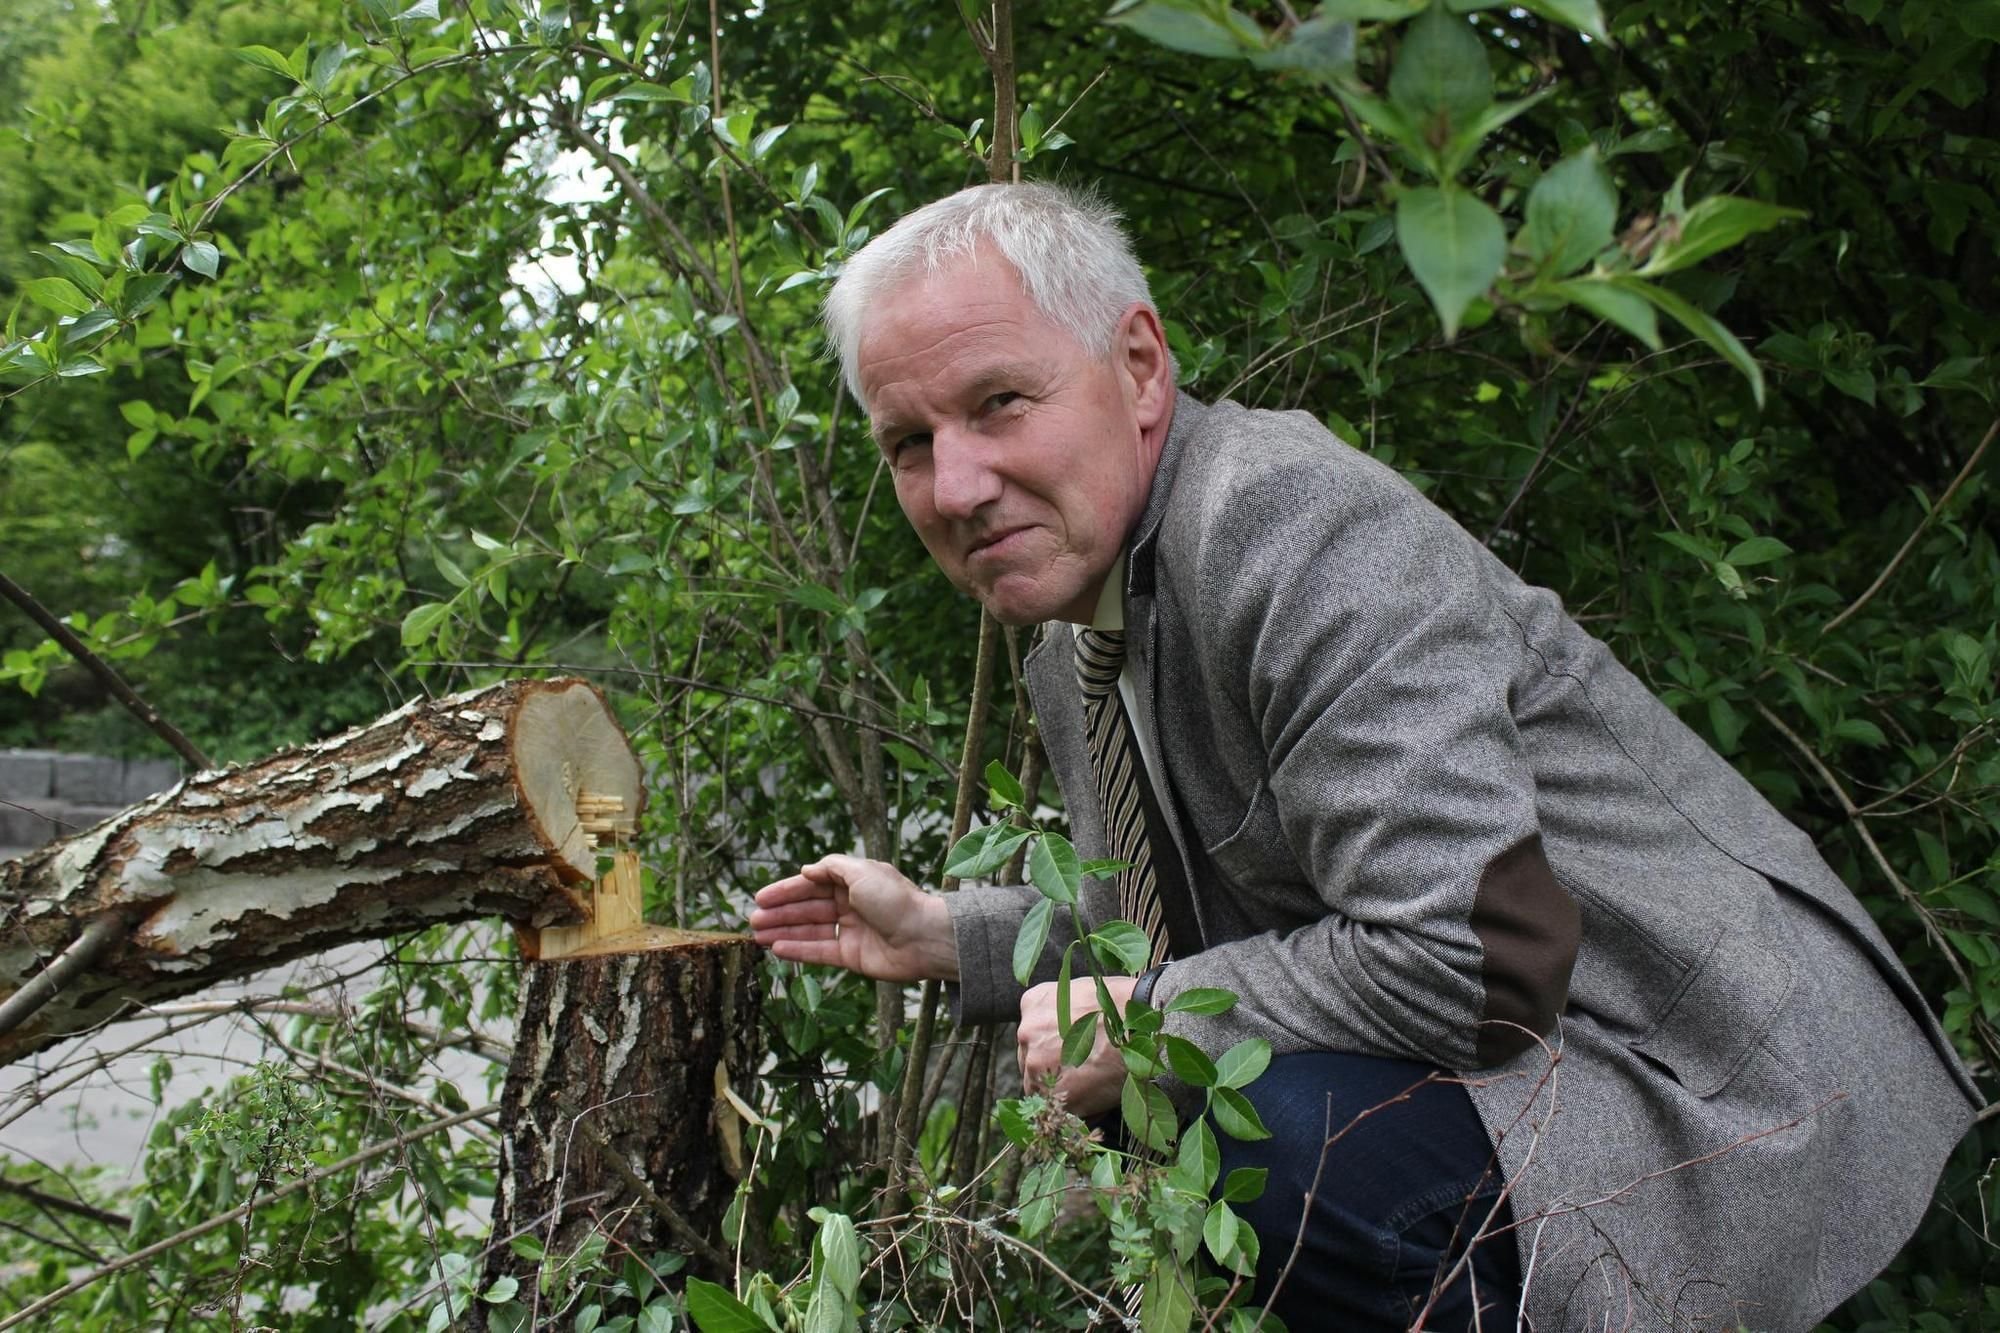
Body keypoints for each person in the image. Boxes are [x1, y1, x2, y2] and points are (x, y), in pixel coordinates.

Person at [748, 181, 1977, 1331]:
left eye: (997, 403)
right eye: (907, 443)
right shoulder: (1077, 641)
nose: (955, 484)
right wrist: (941, 932)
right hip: (1536, 1057)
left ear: (1136, 367)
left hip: (1703, 1073)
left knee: (1246, 1125)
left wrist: (1152, 1022)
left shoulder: (1292, 529)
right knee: (1176, 1091)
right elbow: (1180, 927)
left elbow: (1473, 961)